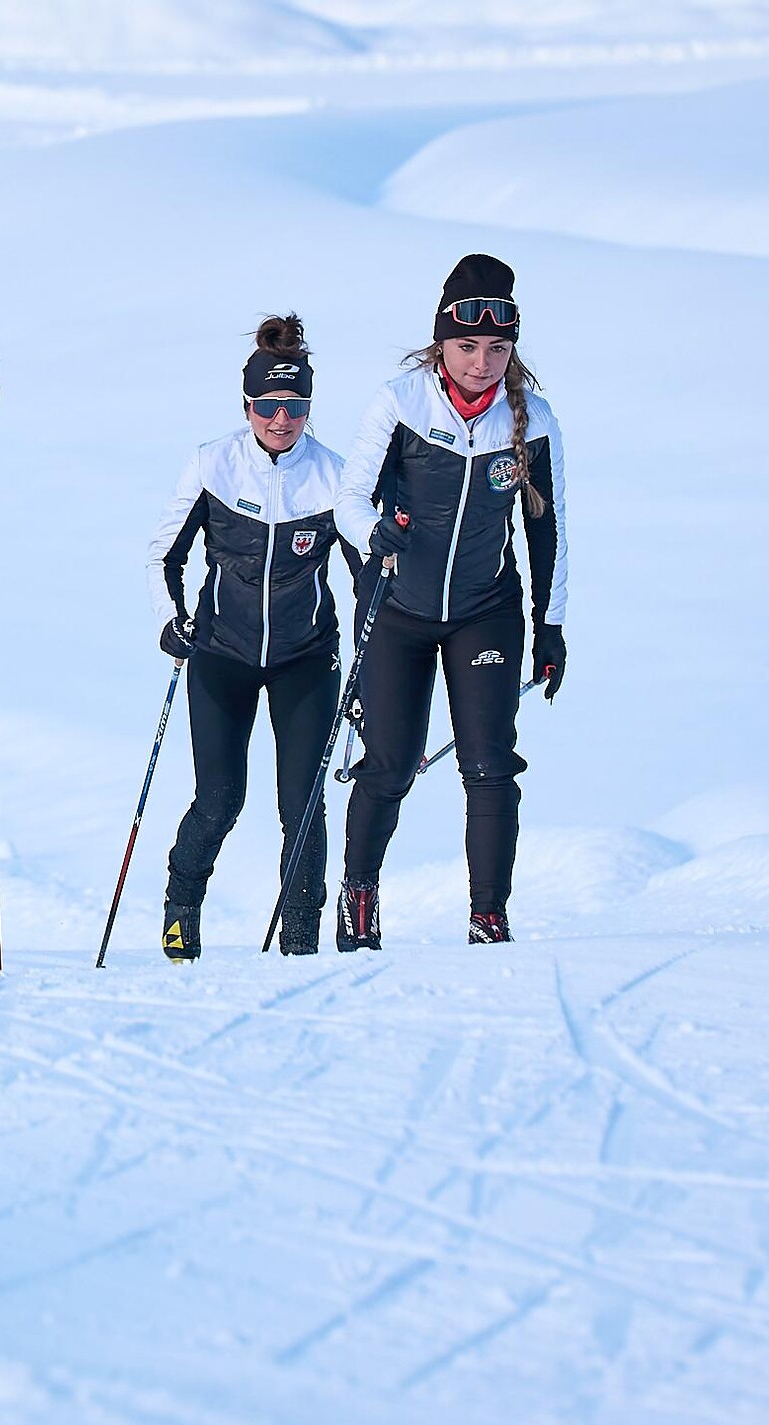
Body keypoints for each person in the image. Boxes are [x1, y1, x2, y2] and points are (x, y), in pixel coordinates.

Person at [334, 254, 567, 949]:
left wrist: (549, 626)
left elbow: (547, 531)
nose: (482, 362)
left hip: (484, 610)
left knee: (490, 763)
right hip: (399, 610)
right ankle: (359, 898)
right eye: (468, 346)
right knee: (391, 764)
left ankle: (488, 916)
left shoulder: (534, 421)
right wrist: (372, 531)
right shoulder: (401, 402)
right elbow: (347, 500)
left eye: (498, 349)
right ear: (443, 342)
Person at [147, 315, 359, 962]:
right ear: (248, 405)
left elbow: (369, 572)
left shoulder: (333, 476)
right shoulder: (213, 464)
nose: (281, 418)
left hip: (305, 659)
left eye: (295, 406)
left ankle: (301, 940)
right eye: (269, 405)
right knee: (219, 797)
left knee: (303, 804)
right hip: (222, 655)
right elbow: (164, 554)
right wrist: (173, 616)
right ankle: (181, 909)